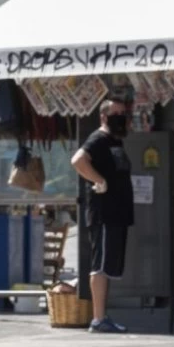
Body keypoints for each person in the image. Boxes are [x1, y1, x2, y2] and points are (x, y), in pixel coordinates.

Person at [70, 94, 134, 334]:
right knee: (101, 264)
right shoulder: (98, 138)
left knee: (109, 265)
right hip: (104, 212)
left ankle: (102, 315)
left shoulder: (115, 141)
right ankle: (97, 318)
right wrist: (99, 181)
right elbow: (77, 160)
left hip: (118, 211)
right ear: (104, 116)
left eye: (123, 114)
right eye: (115, 114)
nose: (120, 118)